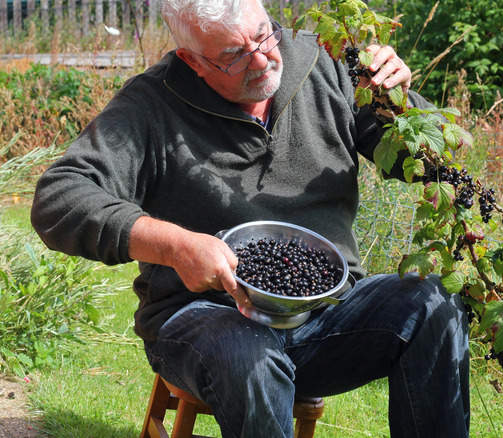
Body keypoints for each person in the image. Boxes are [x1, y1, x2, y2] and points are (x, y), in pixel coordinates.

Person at [30, 0, 470, 436]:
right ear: (192, 60)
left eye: (263, 35)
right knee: (249, 355)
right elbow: (60, 197)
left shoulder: (329, 60)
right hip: (206, 318)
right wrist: (177, 245)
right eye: (233, 55)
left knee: (434, 303)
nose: (260, 60)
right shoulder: (151, 105)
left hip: (327, 312)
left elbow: (432, 162)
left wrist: (398, 100)